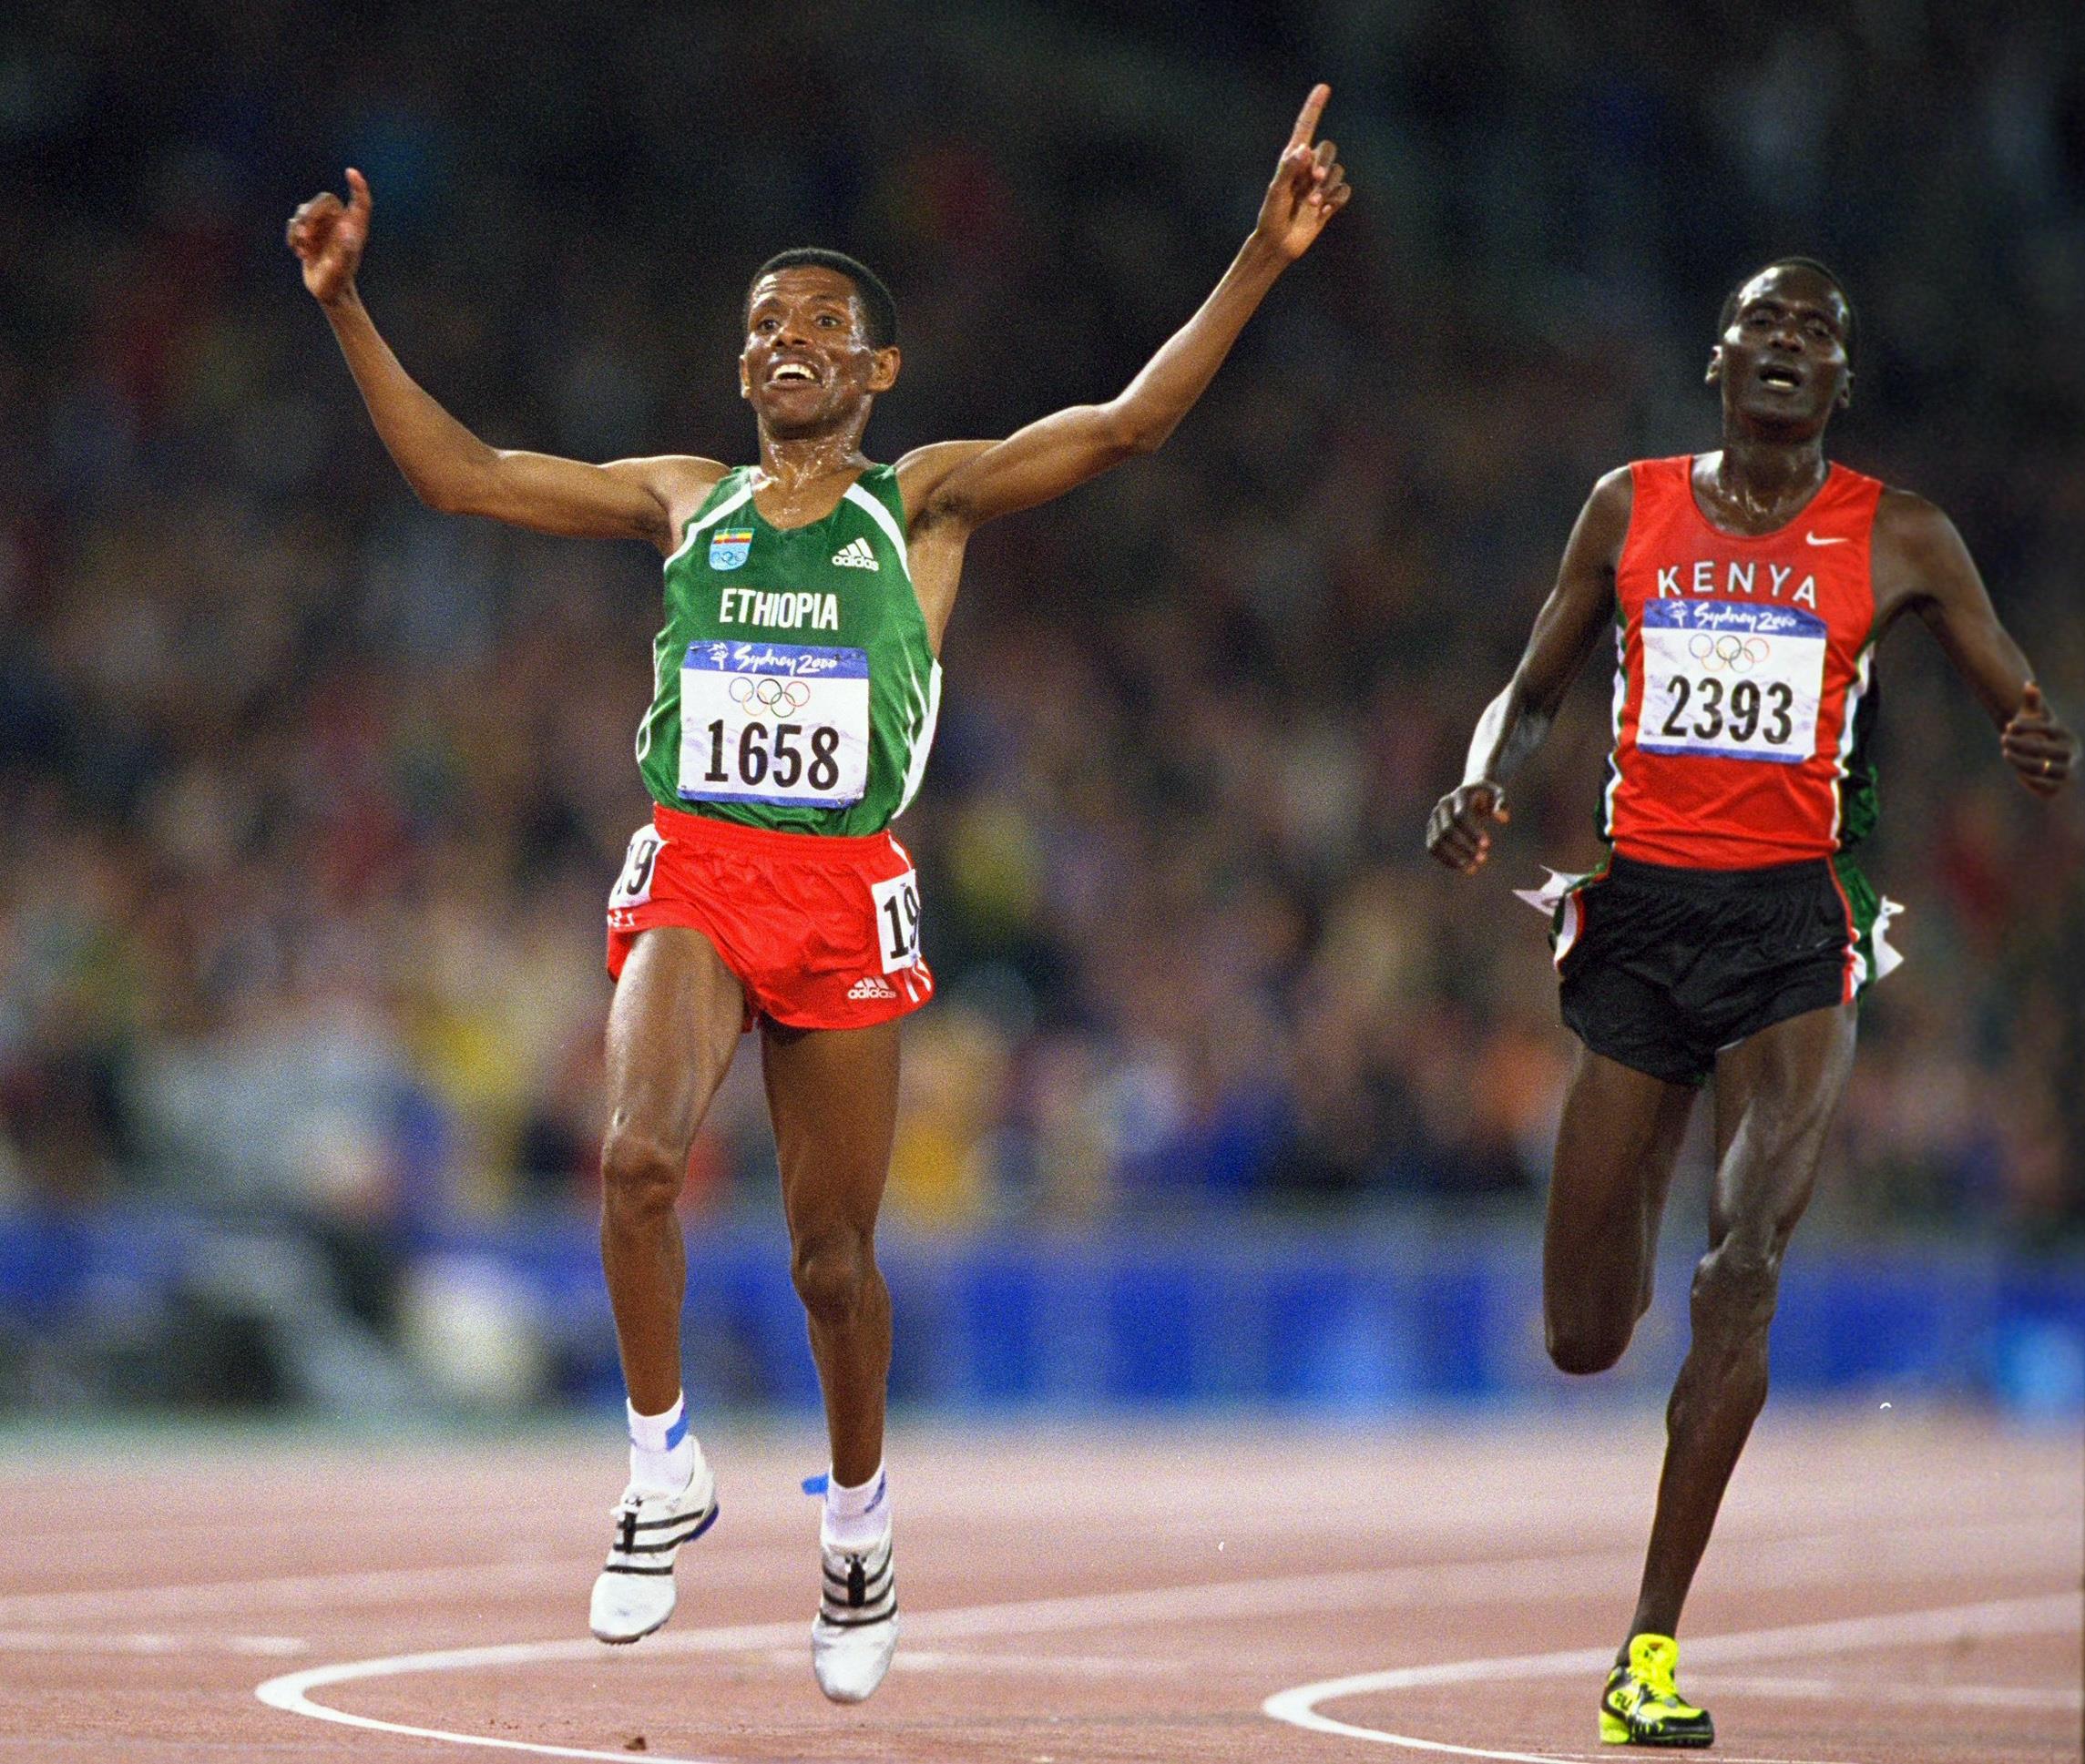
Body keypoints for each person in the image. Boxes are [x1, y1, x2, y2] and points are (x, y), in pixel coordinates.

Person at [288, 87, 1348, 1703]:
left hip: (844, 882)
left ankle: (857, 1524)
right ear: (739, 367)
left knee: (831, 1263)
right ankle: (660, 1468)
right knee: (637, 1158)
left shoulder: (918, 499)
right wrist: (351, 307)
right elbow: (467, 476)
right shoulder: (679, 497)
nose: (787, 335)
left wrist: (1260, 260)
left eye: (822, 322)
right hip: (701, 857)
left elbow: (1129, 423)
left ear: (876, 371)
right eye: (764, 321)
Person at [1425, 259, 2074, 1749]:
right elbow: (1528, 687)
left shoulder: (1898, 531)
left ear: (1839, 383)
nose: (1787, 347)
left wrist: (2034, 736)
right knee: (1585, 1334)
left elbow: (2013, 688)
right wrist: (1480, 770)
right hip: (1641, 918)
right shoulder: (1625, 503)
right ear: (1717, 359)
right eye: (1763, 326)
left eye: (1816, 335)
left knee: (1744, 1265)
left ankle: (1644, 1651)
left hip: (1794, 924)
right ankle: (1648, 1200)